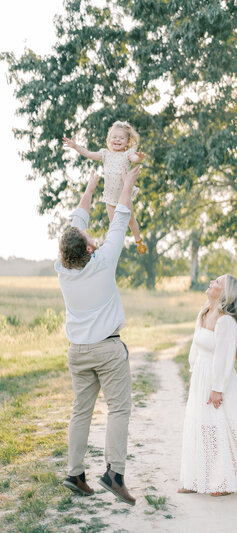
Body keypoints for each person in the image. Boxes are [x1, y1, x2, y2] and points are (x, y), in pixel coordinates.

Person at [55, 165, 142, 506]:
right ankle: (114, 475)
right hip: (107, 350)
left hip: (78, 351)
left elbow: (77, 226)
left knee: (81, 411)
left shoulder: (62, 269)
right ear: (90, 248)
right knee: (119, 409)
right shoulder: (104, 259)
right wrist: (128, 183)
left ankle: (74, 474)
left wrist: (91, 188)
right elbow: (120, 217)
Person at [179, 274, 237, 496]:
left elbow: (225, 358)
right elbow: (196, 348)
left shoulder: (226, 321)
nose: (211, 282)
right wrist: (192, 373)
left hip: (218, 381)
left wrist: (217, 388)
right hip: (201, 376)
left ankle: (224, 481)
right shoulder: (204, 313)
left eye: (217, 282)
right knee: (199, 425)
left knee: (217, 428)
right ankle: (196, 479)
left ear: (226, 293)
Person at [63, 120, 147, 254]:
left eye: (121, 138)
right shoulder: (105, 154)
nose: (117, 140)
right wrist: (75, 146)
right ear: (109, 139)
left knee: (131, 220)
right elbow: (89, 153)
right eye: (114, 137)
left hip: (123, 196)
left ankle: (138, 240)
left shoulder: (127, 154)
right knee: (114, 225)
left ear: (128, 140)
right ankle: (116, 247)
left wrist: (140, 158)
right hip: (110, 196)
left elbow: (135, 158)